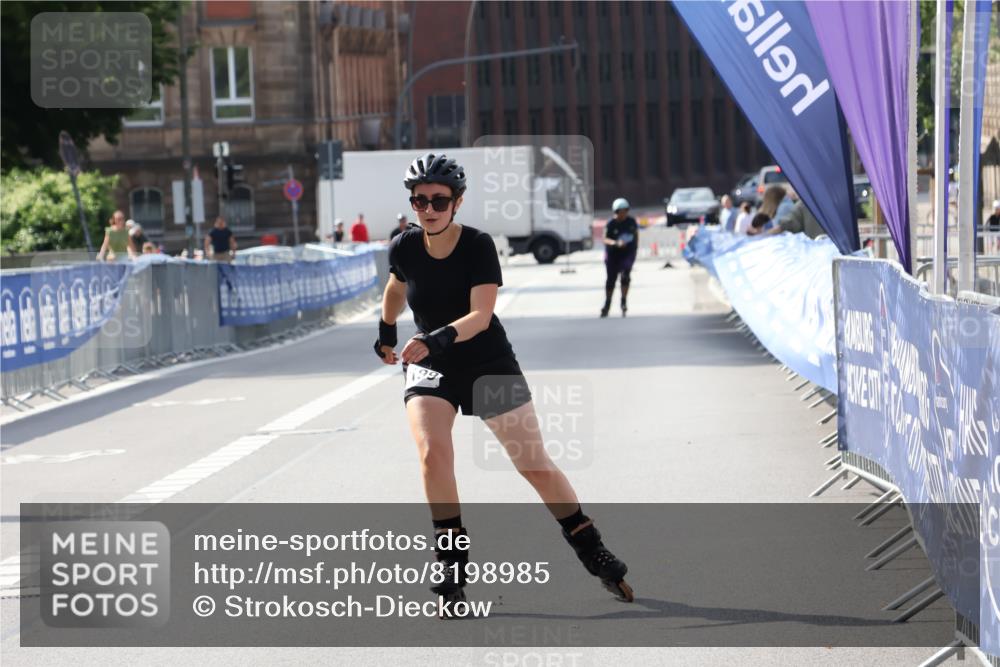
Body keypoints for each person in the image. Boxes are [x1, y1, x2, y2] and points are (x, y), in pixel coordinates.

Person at [374, 153, 633, 615]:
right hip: (431, 366)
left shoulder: (477, 245)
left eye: (438, 200)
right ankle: (451, 561)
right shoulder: (404, 246)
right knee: (433, 453)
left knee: (533, 464)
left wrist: (434, 337)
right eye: (419, 201)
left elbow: (481, 316)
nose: (428, 209)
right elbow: (397, 285)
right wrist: (386, 332)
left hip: (484, 359)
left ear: (458, 202)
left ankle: (589, 545)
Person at [601, 198, 639, 318]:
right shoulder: (611, 224)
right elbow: (605, 238)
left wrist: (634, 249)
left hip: (627, 254)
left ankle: (623, 301)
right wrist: (614, 243)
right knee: (611, 280)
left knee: (625, 277)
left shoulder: (631, 222)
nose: (623, 214)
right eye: (620, 212)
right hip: (613, 254)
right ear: (616, 212)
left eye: (625, 211)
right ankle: (607, 303)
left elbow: (636, 235)